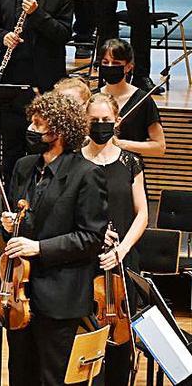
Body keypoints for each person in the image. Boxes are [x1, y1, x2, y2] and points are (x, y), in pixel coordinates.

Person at [0, 92, 106, 385]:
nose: (31, 130)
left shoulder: (86, 174)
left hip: (60, 295)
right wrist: (10, 226)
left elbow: (91, 238)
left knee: (52, 378)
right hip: (20, 293)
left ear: (57, 132)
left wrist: (38, 248)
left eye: (38, 125)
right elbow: (18, 219)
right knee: (19, 375)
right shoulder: (24, 167)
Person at [0, 0, 73, 181]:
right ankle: (9, 209)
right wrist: (3, 37)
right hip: (11, 81)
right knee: (10, 151)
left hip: (44, 83)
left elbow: (63, 34)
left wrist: (37, 14)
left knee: (42, 149)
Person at [83, 93, 148, 386]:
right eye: (94, 121)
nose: (100, 125)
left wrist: (121, 250)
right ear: (85, 122)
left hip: (122, 261)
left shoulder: (130, 161)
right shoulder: (74, 162)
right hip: (85, 261)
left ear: (117, 122)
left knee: (121, 340)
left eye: (106, 121)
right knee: (85, 335)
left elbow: (142, 214)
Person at [98, 38, 166, 157]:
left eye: (116, 63)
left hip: (129, 169)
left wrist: (120, 144)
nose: (109, 67)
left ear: (129, 67)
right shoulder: (93, 97)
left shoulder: (143, 100)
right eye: (105, 62)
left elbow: (159, 147)